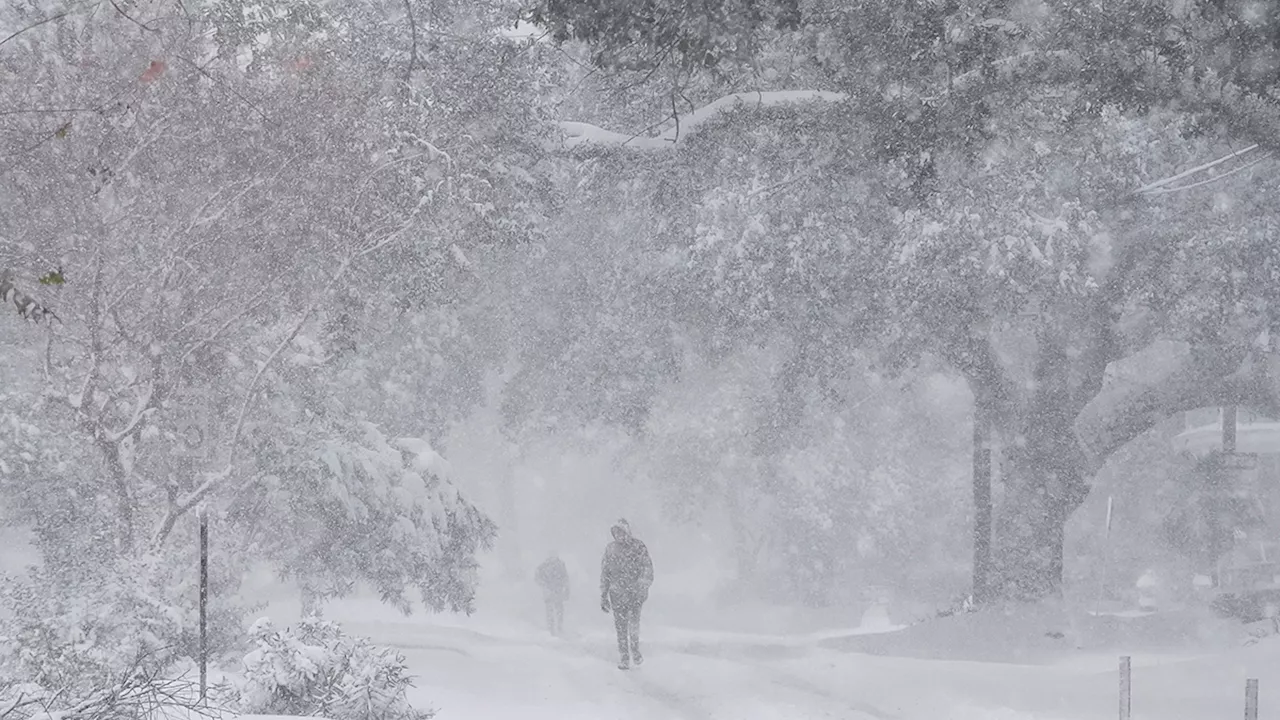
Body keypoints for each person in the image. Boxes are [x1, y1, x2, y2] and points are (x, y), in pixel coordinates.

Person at [599, 518, 653, 669]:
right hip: (616, 595)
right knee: (620, 627)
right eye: (615, 533)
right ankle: (624, 657)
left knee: (634, 624)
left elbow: (647, 568)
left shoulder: (638, 547)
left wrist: (642, 586)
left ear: (627, 532)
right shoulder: (610, 549)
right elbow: (605, 573)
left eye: (621, 532)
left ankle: (635, 651)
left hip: (634, 595)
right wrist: (604, 595)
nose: (618, 535)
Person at [535, 552, 570, 636]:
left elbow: (537, 577)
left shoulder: (544, 565)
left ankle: (554, 628)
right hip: (556, 590)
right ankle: (556, 628)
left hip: (552, 591)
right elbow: (565, 578)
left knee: (553, 610)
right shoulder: (558, 565)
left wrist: (544, 585)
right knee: (557, 610)